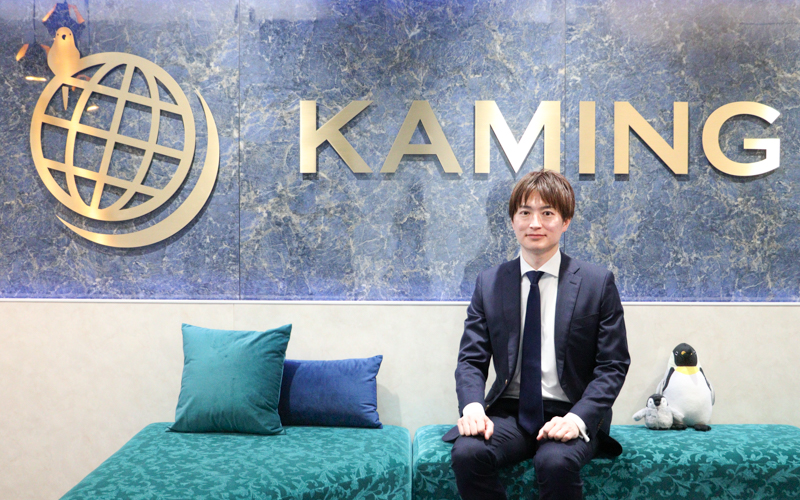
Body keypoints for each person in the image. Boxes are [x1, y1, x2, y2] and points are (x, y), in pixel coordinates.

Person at [442, 170, 630, 500]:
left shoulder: (597, 283)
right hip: (510, 412)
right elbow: (471, 359)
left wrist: (578, 418)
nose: (535, 224)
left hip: (570, 409)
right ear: (513, 220)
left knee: (554, 462)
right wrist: (472, 407)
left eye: (547, 213)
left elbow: (612, 365)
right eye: (525, 212)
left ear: (565, 221)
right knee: (468, 453)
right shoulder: (490, 282)